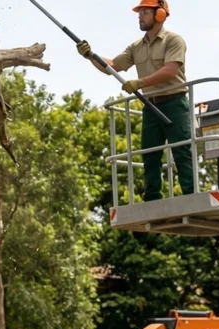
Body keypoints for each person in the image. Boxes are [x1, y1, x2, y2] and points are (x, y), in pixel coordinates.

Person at [77, 0, 193, 202]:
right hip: (150, 105)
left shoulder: (174, 40)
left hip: (174, 102)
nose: (140, 16)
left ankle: (192, 197)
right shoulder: (136, 47)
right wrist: (90, 55)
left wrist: (140, 82)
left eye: (145, 12)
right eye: (140, 12)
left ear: (160, 15)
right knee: (149, 154)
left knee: (181, 151)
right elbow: (112, 65)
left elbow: (170, 70)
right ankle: (153, 199)